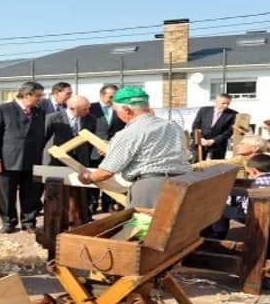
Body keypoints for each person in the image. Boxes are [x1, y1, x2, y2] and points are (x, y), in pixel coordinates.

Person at [78, 87, 191, 209]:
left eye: (116, 111)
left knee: (144, 225)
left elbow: (106, 172)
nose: (117, 114)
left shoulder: (130, 132)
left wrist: (88, 177)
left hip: (151, 189)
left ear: (126, 109)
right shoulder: (172, 126)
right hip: (182, 182)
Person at [0, 81, 46, 233]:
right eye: (38, 95)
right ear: (27, 95)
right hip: (7, 161)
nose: (41, 98)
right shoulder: (2, 110)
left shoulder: (40, 113)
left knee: (31, 193)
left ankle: (28, 222)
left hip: (32, 160)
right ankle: (8, 222)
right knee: (6, 194)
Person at [206, 154, 270, 239]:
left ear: (253, 171)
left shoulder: (256, 183)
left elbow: (243, 203)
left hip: (259, 216)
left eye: (249, 172)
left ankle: (218, 235)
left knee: (219, 209)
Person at [43, 95, 97, 221]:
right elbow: (43, 138)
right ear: (73, 108)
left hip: (80, 159)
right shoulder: (52, 118)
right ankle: (56, 219)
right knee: (56, 191)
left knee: (80, 191)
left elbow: (90, 139)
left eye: (88, 108)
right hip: (56, 160)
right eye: (85, 109)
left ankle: (81, 218)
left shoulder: (91, 119)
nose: (88, 112)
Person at [88, 84, 126, 213]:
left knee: (110, 177)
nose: (113, 99)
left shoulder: (120, 109)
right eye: (111, 96)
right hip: (94, 150)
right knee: (94, 177)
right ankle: (92, 205)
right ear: (102, 95)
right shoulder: (90, 108)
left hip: (113, 149)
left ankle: (108, 204)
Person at [192, 93, 237, 160]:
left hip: (218, 146)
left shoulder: (233, 114)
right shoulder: (204, 110)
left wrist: (213, 141)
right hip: (200, 143)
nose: (226, 106)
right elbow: (196, 126)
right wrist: (200, 139)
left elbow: (229, 131)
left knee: (216, 168)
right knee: (196, 165)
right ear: (216, 102)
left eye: (228, 104)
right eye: (223, 103)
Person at [192, 135, 269, 172]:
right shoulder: (242, 158)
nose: (237, 146)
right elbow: (217, 163)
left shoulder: (266, 161)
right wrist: (193, 166)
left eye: (242, 144)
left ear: (255, 148)